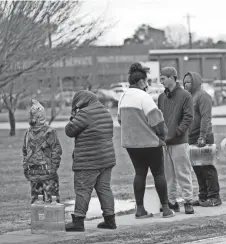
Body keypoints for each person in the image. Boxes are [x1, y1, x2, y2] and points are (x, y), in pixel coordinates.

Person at [118, 63, 175, 218]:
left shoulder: (122, 97)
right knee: (158, 173)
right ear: (142, 82)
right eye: (147, 82)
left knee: (139, 174)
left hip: (130, 144)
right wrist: (162, 136)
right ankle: (166, 208)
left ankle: (140, 209)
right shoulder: (144, 97)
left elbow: (120, 120)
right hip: (150, 143)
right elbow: (157, 122)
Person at [64, 90, 116, 231]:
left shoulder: (85, 113)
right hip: (106, 159)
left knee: (83, 189)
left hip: (89, 161)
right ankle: (110, 220)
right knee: (104, 188)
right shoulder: (105, 111)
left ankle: (78, 222)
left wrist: (73, 115)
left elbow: (69, 131)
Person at [158, 67, 195, 214]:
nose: (161, 81)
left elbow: (188, 117)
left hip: (179, 141)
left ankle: (188, 201)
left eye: (163, 78)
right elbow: (159, 116)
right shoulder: (161, 97)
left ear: (172, 77)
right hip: (165, 142)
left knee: (183, 172)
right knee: (169, 175)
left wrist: (178, 132)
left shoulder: (185, 95)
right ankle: (172, 202)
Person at [183, 72, 222, 207]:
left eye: (188, 82)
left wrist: (202, 136)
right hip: (191, 137)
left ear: (195, 82)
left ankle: (214, 197)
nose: (185, 84)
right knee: (198, 169)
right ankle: (203, 196)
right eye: (184, 82)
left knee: (207, 168)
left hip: (203, 137)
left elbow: (206, 117)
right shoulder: (188, 97)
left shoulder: (203, 96)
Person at [22, 100, 62, 204]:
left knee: (36, 204)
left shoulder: (28, 132)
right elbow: (56, 151)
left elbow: (25, 152)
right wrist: (53, 168)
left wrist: (26, 168)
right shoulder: (49, 132)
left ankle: (38, 220)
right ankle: (50, 220)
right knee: (52, 203)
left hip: (33, 173)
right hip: (48, 173)